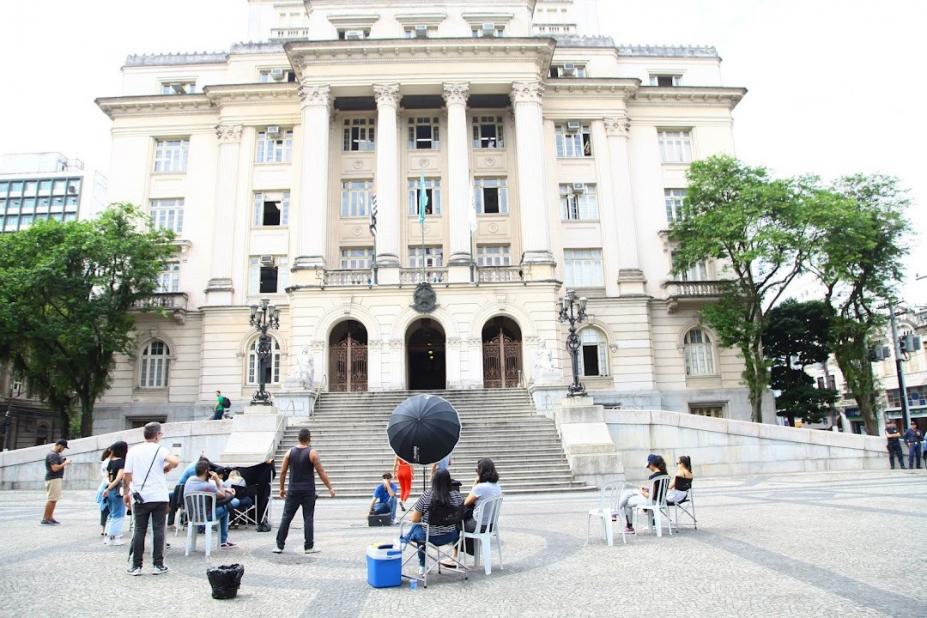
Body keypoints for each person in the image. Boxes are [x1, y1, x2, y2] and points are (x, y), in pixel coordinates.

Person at [123, 422, 180, 576]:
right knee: (158, 529)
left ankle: (136, 566)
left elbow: (127, 474)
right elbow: (175, 461)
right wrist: (167, 468)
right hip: (159, 496)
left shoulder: (133, 451)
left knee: (139, 530)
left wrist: (126, 492)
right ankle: (158, 564)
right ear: (156, 435)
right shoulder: (160, 449)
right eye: (160, 434)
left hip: (140, 496)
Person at [274, 428, 335, 554]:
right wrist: (330, 487)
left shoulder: (289, 452)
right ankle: (308, 546)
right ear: (309, 438)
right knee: (308, 518)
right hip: (308, 491)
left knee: (286, 517)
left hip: (293, 490)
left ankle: (279, 546)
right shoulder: (312, 453)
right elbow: (321, 472)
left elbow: (283, 472)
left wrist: (281, 488)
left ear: (298, 438)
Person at [401, 468, 464, 575]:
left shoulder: (427, 495)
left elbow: (414, 519)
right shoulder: (457, 496)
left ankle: (422, 564)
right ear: (449, 481)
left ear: (434, 481)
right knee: (422, 527)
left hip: (429, 536)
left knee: (418, 527)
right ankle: (404, 541)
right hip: (451, 535)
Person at [183, 459, 237, 548]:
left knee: (226, 506)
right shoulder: (208, 486)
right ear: (206, 471)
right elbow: (222, 495)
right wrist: (217, 480)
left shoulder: (189, 481)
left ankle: (223, 541)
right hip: (206, 515)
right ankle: (223, 540)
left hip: (191, 516)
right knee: (234, 503)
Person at [458, 458, 502, 558]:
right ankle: (471, 551)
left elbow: (466, 502)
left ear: (481, 471)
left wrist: (475, 482)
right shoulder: (497, 486)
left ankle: (456, 556)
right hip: (491, 525)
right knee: (466, 518)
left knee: (457, 522)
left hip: (480, 525)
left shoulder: (480, 487)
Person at [617, 454, 668, 534]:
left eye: (648, 466)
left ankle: (628, 525)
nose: (649, 468)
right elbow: (658, 490)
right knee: (628, 494)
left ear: (652, 464)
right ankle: (618, 511)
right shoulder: (665, 475)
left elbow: (650, 496)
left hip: (652, 502)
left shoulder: (653, 477)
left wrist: (642, 492)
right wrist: (647, 489)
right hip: (660, 501)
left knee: (627, 501)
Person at [102, 441, 129, 546]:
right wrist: (110, 488)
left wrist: (107, 488)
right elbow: (119, 478)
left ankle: (107, 536)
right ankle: (114, 537)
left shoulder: (110, 462)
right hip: (117, 490)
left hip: (109, 489)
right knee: (118, 514)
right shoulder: (122, 462)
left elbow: (108, 477)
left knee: (111, 514)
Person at [42, 439, 70, 525]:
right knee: (51, 499)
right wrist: (65, 463)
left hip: (55, 478)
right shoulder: (52, 455)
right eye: (63, 448)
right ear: (59, 446)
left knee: (54, 499)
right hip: (53, 478)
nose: (63, 450)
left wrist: (62, 460)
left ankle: (50, 517)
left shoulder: (55, 455)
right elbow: (54, 468)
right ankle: (46, 519)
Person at [96, 447, 113, 535]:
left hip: (105, 485)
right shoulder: (108, 462)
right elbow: (106, 476)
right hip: (108, 485)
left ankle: (104, 528)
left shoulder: (106, 461)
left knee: (105, 508)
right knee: (108, 508)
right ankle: (107, 528)